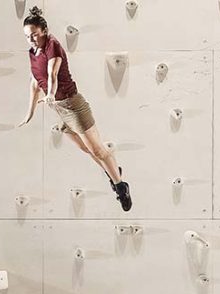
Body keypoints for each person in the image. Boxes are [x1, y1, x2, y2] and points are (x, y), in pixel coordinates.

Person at [17, 6, 133, 212]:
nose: (32, 40)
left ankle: (121, 186)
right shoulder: (32, 53)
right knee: (87, 149)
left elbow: (52, 74)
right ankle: (114, 171)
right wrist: (29, 113)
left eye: (34, 35)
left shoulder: (53, 46)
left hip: (73, 105)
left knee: (97, 150)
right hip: (61, 109)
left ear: (43, 30)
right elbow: (35, 83)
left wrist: (51, 94)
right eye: (27, 36)